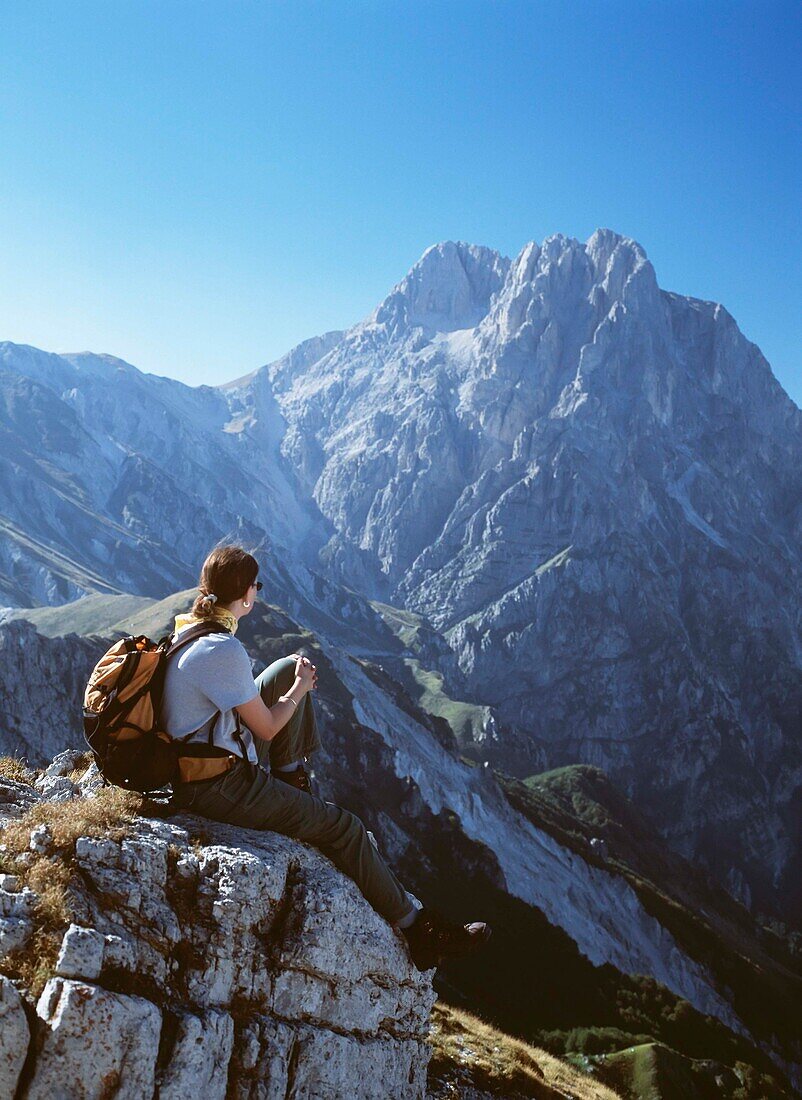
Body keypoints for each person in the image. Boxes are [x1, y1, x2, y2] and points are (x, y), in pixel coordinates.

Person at [160, 543, 491, 971]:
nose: (258, 593)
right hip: (216, 785)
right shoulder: (221, 650)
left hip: (204, 757)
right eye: (256, 586)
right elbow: (266, 728)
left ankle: (289, 781)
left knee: (284, 667)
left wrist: (291, 680)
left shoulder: (189, 630)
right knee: (344, 828)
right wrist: (299, 691)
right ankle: (420, 931)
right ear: (245, 594)